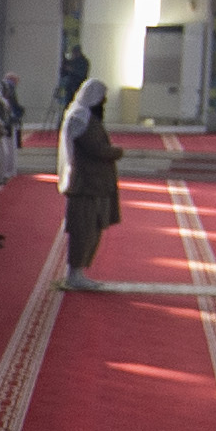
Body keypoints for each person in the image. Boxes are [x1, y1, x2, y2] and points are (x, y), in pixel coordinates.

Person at [60, 76, 125, 292]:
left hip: (96, 183)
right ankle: (75, 271)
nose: (103, 103)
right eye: (102, 98)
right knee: (83, 228)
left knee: (93, 227)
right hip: (85, 184)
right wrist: (117, 151)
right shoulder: (80, 117)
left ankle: (80, 271)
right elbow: (94, 149)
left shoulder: (87, 116)